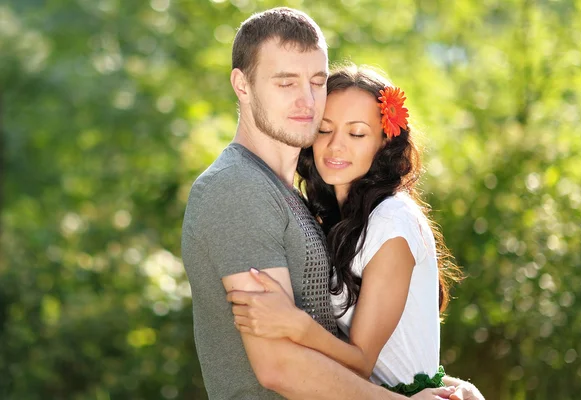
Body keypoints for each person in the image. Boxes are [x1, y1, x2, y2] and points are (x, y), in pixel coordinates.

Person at [182, 6, 481, 400]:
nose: (307, 101)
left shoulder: (299, 200)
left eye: (317, 81)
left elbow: (357, 351)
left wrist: (443, 385)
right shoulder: (237, 187)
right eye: (286, 83)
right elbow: (278, 365)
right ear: (242, 84)